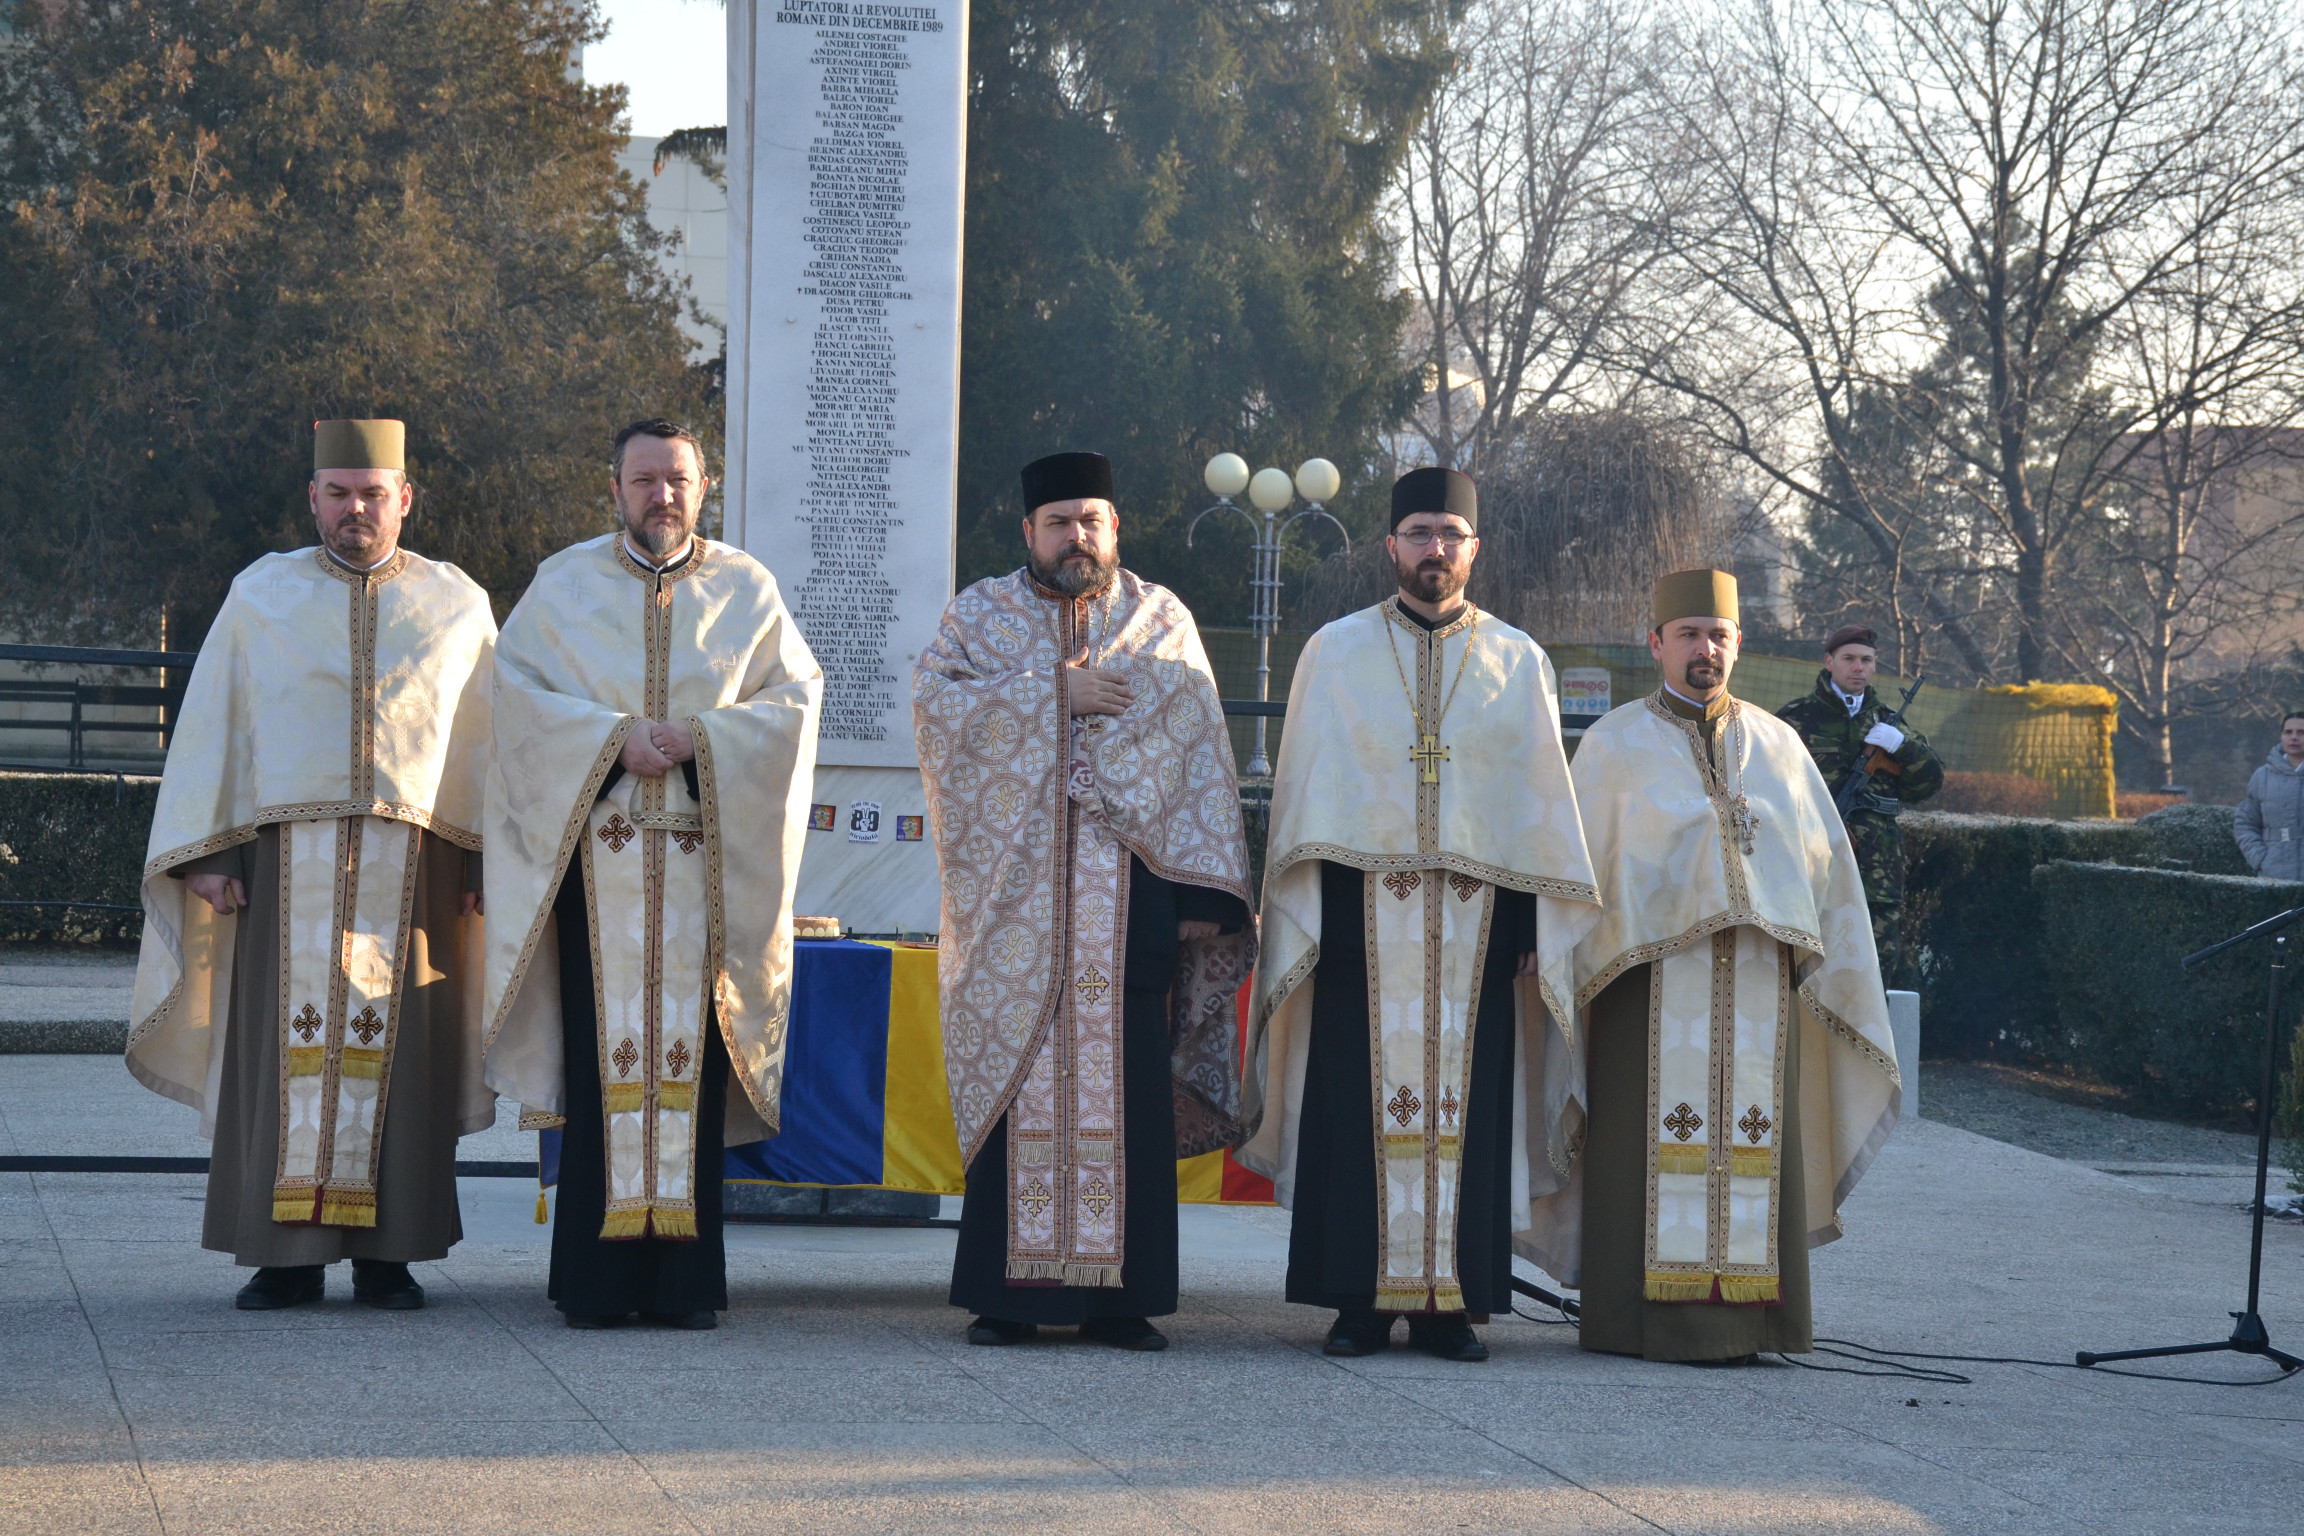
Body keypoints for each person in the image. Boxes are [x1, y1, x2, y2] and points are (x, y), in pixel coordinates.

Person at [127, 418, 497, 1312]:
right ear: (313, 499)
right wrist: (210, 850)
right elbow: (217, 723)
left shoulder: (458, 603)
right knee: (277, 1056)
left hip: (418, 869)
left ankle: (390, 1256)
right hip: (279, 866)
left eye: (373, 495)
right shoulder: (262, 594)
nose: (355, 511)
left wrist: (491, 860)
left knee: (405, 1056)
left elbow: (492, 742)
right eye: (337, 494)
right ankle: (282, 1257)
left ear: (405, 498)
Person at [1238, 467, 1602, 1363]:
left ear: (1474, 549)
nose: (1434, 550)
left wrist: (1524, 925)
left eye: (1450, 534)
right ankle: (1355, 1302)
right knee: (1349, 1106)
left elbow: (1536, 805)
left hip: (1479, 930)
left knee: (1469, 1112)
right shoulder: (1336, 649)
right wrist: (1311, 908)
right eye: (1418, 534)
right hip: (1359, 918)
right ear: (1390, 546)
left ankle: (1452, 1305)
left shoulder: (1519, 661)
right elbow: (1307, 790)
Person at [480, 419, 821, 1330]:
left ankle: (682, 1285)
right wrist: (609, 740)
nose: (661, 496)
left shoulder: (747, 590)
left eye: (677, 478)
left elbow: (793, 705)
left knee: (692, 1075)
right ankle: (595, 1284)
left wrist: (701, 739)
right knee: (601, 1069)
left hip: (706, 881)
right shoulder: (563, 585)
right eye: (643, 480)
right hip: (598, 875)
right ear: (615, 488)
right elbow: (512, 697)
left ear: (702, 486)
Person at [914, 450, 1254, 1352]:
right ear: (1028, 531)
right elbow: (937, 715)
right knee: (1022, 1081)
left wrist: (1194, 897)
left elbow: (1198, 755)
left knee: (1130, 1095)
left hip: (1131, 904)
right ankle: (1008, 1295)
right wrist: (1049, 697)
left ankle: (1123, 1300)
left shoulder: (1159, 618)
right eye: (1059, 521)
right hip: (1014, 907)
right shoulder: (977, 615)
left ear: (1115, 528)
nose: (1077, 536)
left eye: (1091, 520)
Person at [1529, 570, 1900, 1364]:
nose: (1706, 649)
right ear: (1656, 642)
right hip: (1645, 991)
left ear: (1740, 644)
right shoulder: (1614, 744)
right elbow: (1583, 869)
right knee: (1644, 1149)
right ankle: (1637, 1322)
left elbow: (1824, 871)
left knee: (1755, 1142)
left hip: (1762, 986)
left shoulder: (1779, 744)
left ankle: (1755, 1322)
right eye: (1690, 633)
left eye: (1719, 635)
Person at [1775, 624, 1942, 977]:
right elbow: (1765, 788)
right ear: (1829, 661)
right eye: (1849, 659)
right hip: (1809, 870)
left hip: (1876, 876)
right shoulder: (1794, 719)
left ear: (1874, 666)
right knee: (1805, 971)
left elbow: (1928, 785)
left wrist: (1902, 747)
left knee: (1873, 974)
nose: (1858, 667)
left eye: (1866, 660)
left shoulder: (1888, 723)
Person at [2234, 712, 2304, 881]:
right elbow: (2245, 823)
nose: (2294, 738)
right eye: (2288, 732)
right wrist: (2260, 859)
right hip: (2272, 876)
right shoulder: (2262, 776)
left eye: (2301, 732)